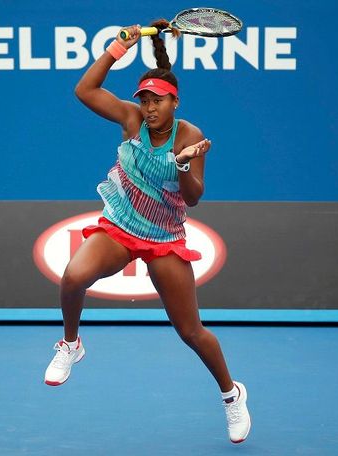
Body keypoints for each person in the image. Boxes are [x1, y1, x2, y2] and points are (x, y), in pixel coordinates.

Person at [43, 21, 251, 444]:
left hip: (164, 238)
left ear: (175, 101)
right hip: (120, 226)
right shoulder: (130, 118)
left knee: (191, 332)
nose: (150, 107)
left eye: (158, 100)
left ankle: (232, 395)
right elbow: (84, 91)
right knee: (73, 276)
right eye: (145, 100)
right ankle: (70, 345)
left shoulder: (190, 137)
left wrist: (184, 164)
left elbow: (193, 199)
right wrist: (118, 48)